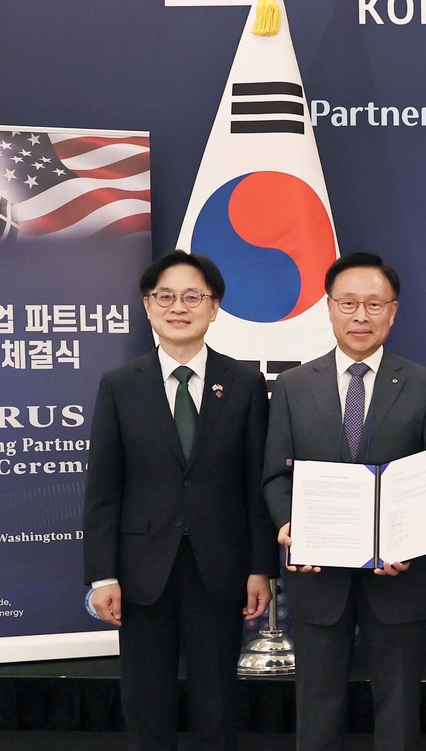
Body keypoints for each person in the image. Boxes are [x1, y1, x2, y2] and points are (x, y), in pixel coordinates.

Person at [261, 252, 426, 751]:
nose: (360, 316)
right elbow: (273, 476)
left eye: (374, 305)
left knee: (397, 711)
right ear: (328, 309)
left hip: (399, 576)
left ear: (393, 312)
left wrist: (413, 541)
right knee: (318, 705)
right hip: (318, 578)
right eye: (348, 303)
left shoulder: (425, 386)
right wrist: (289, 526)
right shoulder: (290, 386)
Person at [83, 250, 277, 751]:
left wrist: (262, 567)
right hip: (141, 571)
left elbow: (257, 484)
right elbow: (104, 488)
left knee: (218, 700)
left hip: (221, 566)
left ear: (215, 308)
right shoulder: (121, 385)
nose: (178, 307)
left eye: (193, 296)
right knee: (147, 702)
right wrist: (103, 573)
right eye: (164, 296)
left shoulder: (245, 384)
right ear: (148, 307)